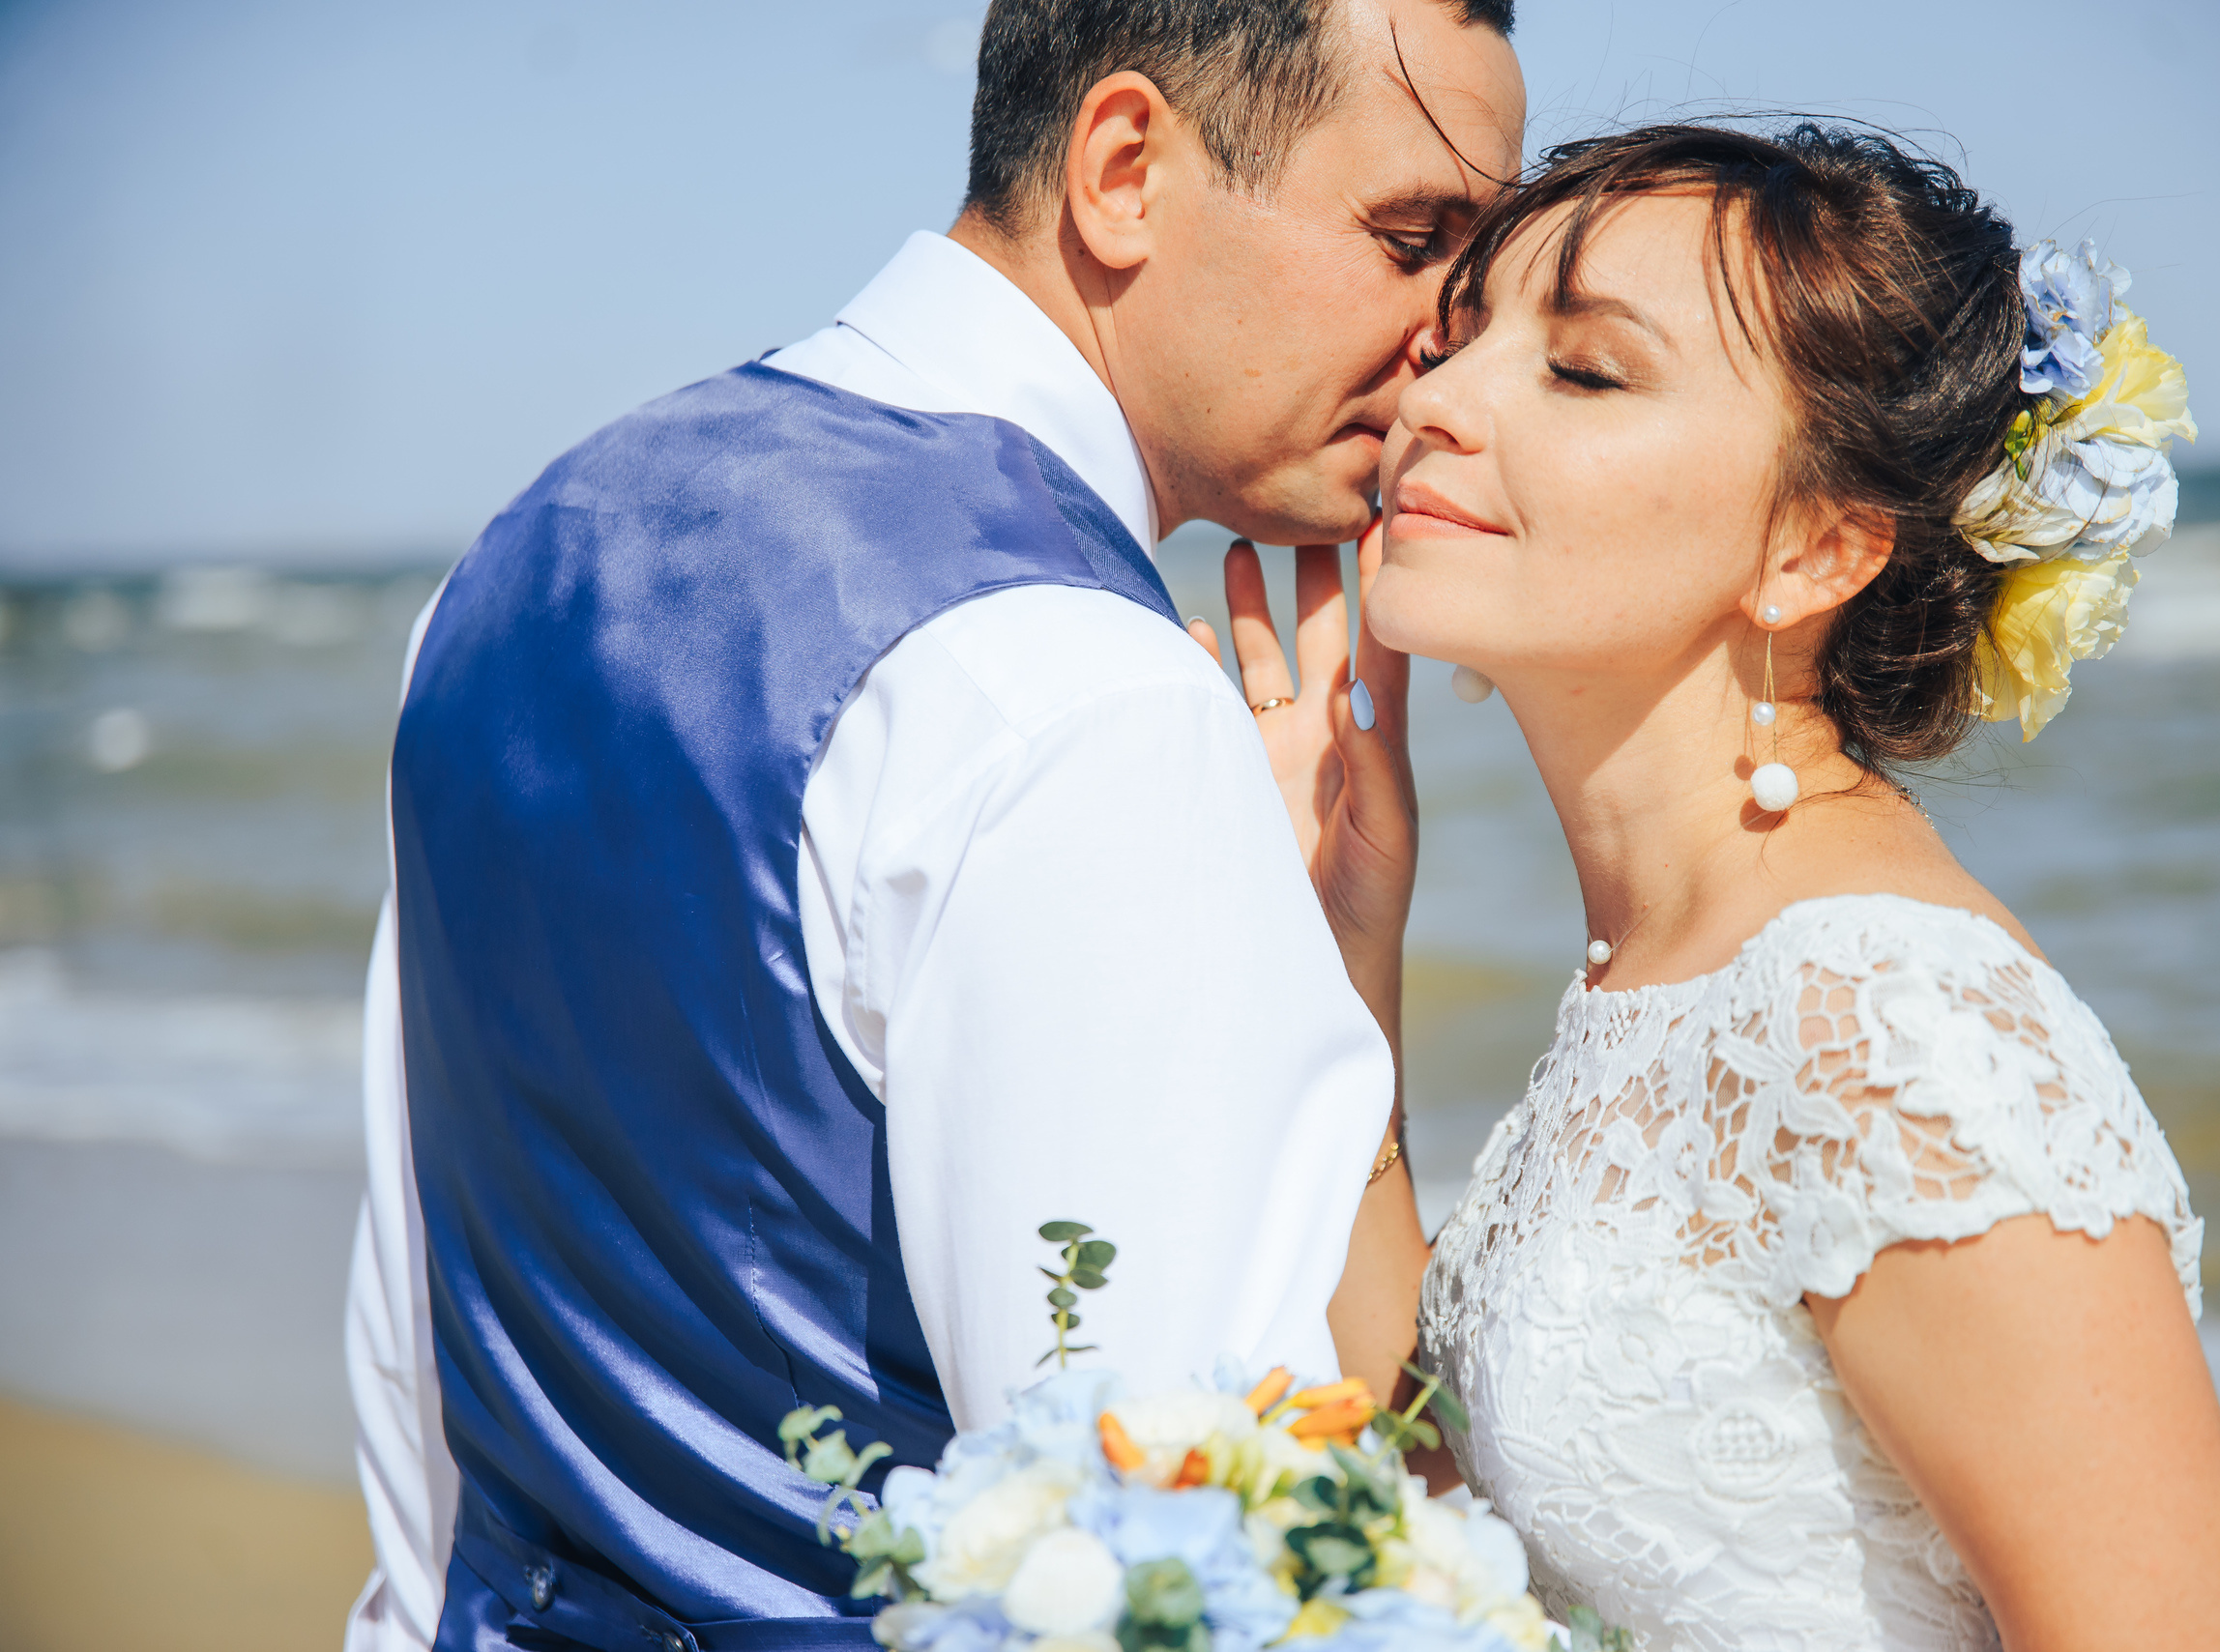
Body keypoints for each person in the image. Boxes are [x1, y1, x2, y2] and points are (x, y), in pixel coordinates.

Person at [340, 4, 1523, 1648]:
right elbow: (1182, 1554)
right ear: (1123, 169)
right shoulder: (1083, 695)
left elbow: (416, 1332)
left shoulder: (517, 553)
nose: (1451, 345)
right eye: (1414, 241)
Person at [1303, 122, 2220, 1649]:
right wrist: (1352, 945)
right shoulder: (1665, 965)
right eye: (1459, 335)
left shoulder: (1891, 1024)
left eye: (1581, 371)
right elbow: (1437, 1520)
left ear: (1811, 547)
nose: (1431, 401)